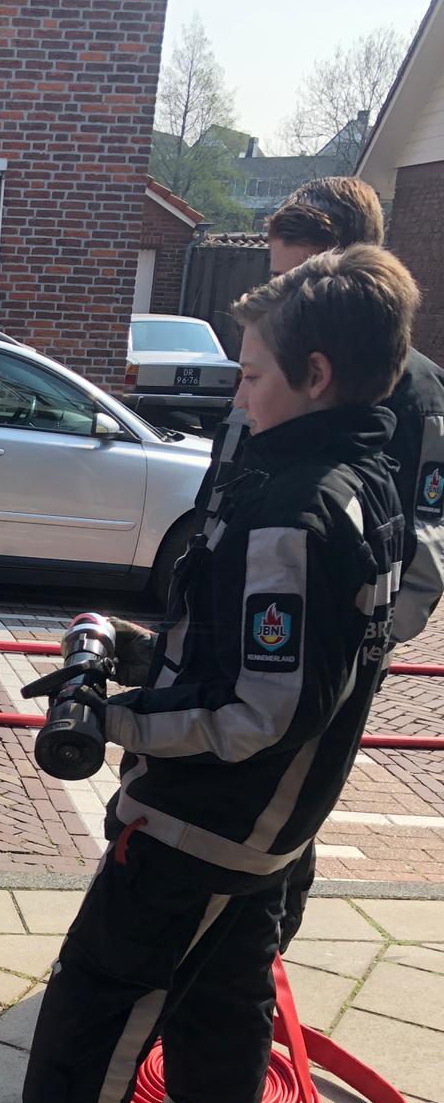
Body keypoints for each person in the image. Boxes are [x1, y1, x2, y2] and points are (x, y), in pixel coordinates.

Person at [0, 246, 418, 1103]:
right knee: (222, 999)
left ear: (316, 376)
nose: (238, 399)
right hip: (273, 833)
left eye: (252, 375)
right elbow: (289, 659)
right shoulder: (373, 485)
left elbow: (257, 709)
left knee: (96, 1001)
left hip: (201, 824)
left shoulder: (292, 511)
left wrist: (116, 719)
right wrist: (143, 652)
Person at [180, 175, 444, 946]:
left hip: (322, 641)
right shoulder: (271, 354)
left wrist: (366, 639)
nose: (282, 300)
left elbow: (426, 531)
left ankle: (253, 957)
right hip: (235, 614)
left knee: (283, 811)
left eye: (298, 279)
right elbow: (232, 470)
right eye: (276, 278)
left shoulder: (418, 392)